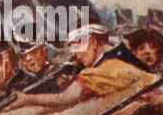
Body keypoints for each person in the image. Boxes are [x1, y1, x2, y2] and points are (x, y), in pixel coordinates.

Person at [12, 25, 155, 110]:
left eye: (75, 45)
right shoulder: (123, 56)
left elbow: (65, 98)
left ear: (92, 41)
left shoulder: (107, 67)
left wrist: (27, 99)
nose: (74, 53)